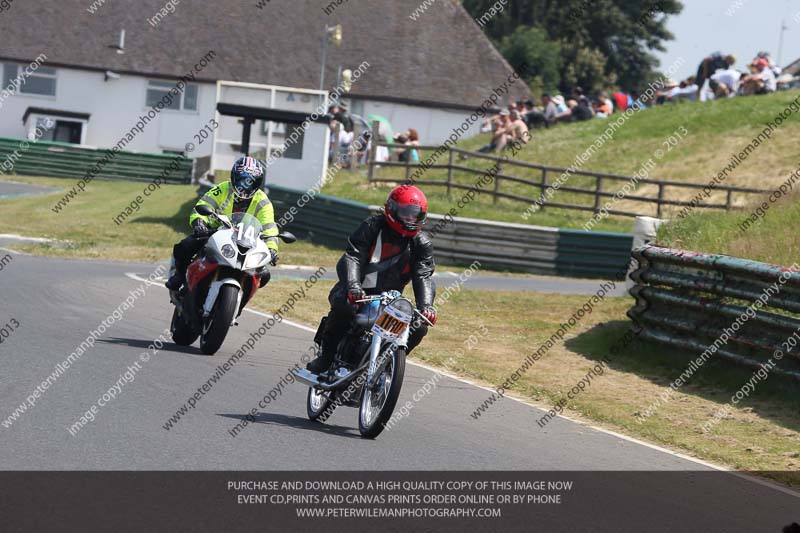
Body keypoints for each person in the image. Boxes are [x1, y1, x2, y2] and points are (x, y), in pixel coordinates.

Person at [306, 185, 437, 374]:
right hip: (356, 292)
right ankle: (325, 358)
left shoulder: (422, 243)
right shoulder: (372, 227)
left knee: (419, 327)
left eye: (415, 215)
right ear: (392, 210)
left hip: (389, 300)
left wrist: (426, 307)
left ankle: (387, 365)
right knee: (345, 306)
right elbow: (352, 256)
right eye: (406, 213)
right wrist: (353, 286)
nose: (410, 219)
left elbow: (423, 275)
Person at [165, 156, 279, 290]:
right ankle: (179, 276)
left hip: (245, 241)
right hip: (214, 232)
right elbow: (204, 204)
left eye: (251, 182)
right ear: (234, 178)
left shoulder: (263, 201)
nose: (246, 186)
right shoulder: (223, 188)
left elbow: (269, 227)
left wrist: (271, 248)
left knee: (264, 275)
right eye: (242, 180)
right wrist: (200, 223)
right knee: (185, 246)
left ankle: (241, 296)